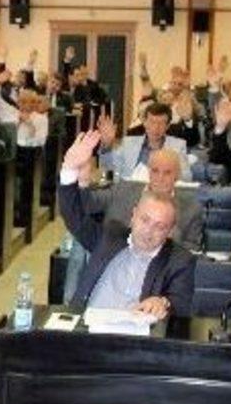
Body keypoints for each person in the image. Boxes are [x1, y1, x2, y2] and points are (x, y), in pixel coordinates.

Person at [59, 130, 196, 318]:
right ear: (133, 216)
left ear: (170, 231)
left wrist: (164, 303)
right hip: (87, 326)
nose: (149, 231)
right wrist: (69, 169)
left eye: (160, 226)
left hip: (133, 332)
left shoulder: (178, 261)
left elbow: (180, 304)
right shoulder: (109, 236)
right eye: (145, 220)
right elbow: (74, 215)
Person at [77, 148, 204, 251]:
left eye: (167, 173)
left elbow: (192, 252)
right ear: (148, 171)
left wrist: (172, 240)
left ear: (177, 175)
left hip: (160, 270)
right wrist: (82, 180)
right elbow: (87, 203)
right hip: (114, 260)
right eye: (155, 171)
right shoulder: (122, 190)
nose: (160, 178)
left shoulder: (192, 209)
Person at [97, 102, 190, 180]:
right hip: (131, 190)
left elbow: (187, 177)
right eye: (152, 122)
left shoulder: (177, 146)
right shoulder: (128, 143)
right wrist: (107, 146)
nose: (156, 127)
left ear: (168, 126)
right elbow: (110, 173)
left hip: (161, 191)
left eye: (161, 123)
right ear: (145, 123)